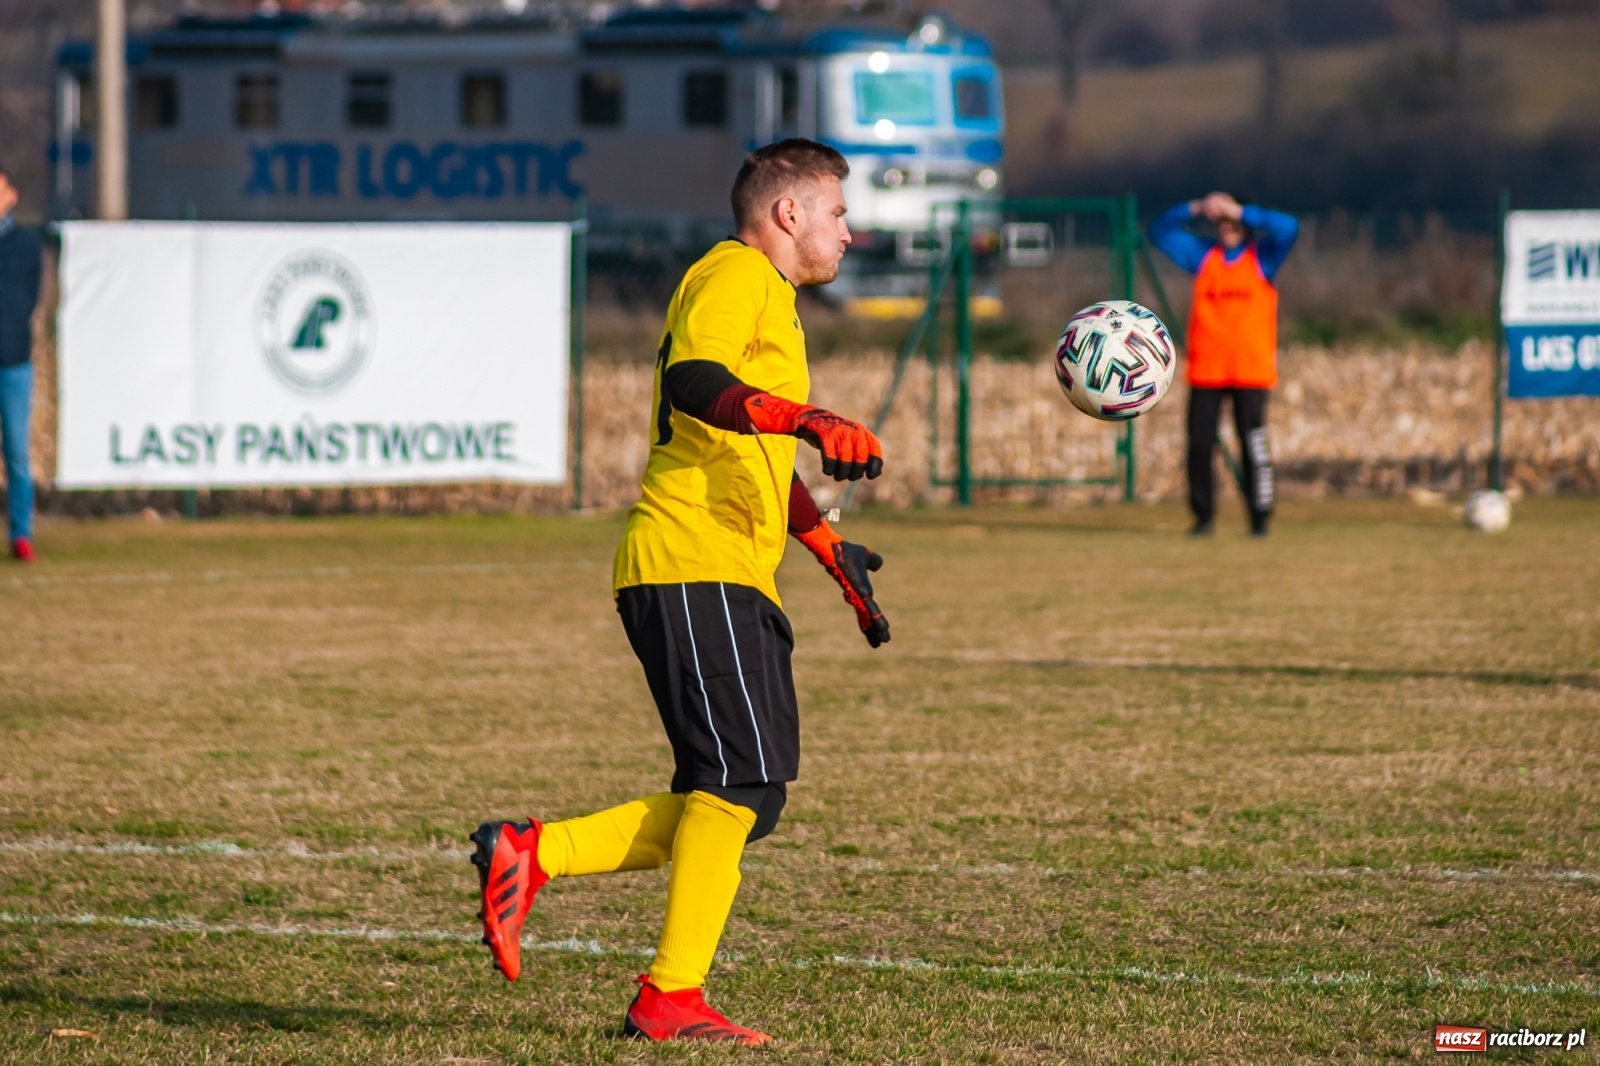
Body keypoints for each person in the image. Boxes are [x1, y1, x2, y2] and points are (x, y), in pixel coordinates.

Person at [469, 139, 890, 1046]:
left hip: (724, 567)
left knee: (749, 798)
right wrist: (813, 418)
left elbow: (756, 450)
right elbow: (697, 385)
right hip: (689, 559)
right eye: (838, 213)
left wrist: (827, 549)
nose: (849, 234)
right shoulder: (737, 273)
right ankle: (670, 996)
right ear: (788, 213)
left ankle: (533, 854)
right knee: (735, 783)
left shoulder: (770, 299)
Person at [1149, 191, 1298, 537]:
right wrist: (1197, 207)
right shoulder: (1203, 256)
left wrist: (1243, 210)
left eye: (1234, 221)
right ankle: (1203, 518)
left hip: (1251, 370)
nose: (1228, 227)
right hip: (1207, 370)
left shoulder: (1263, 258)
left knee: (1253, 444)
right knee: (1199, 444)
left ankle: (1259, 519)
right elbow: (1159, 231)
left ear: (1244, 224)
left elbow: (1289, 227)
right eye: (1222, 221)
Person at [0, 162, 42, 561]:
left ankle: (21, 534)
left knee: (16, 452)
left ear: (11, 194)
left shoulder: (27, 245)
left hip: (14, 364)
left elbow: (31, 299)